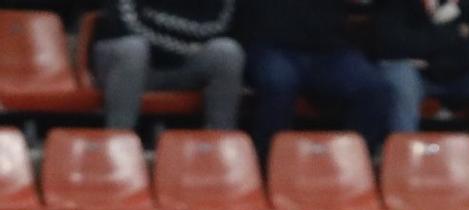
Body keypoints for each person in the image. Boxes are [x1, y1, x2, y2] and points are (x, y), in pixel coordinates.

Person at [240, 0, 393, 152]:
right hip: (271, 46)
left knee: (374, 88)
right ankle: (268, 164)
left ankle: (347, 161)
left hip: (328, 49)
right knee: (279, 84)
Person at [376, 0, 469, 165]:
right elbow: (390, 42)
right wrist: (456, 34)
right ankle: (403, 162)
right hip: (418, 76)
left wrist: (436, 60)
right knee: (398, 74)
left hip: (464, 72)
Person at [92, 0, 245, 131]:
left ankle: (218, 149)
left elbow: (219, 27)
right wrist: (183, 47)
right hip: (124, 62)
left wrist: (174, 48)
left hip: (183, 63)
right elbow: (125, 24)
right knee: (133, 49)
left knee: (227, 52)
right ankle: (119, 145)